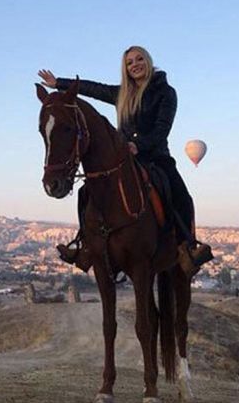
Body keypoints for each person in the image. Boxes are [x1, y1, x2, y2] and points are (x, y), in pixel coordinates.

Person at [38, 46, 213, 276]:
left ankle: (187, 247)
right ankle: (85, 246)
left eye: (139, 59)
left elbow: (162, 129)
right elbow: (93, 89)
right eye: (130, 62)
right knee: (86, 192)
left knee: (178, 193)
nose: (135, 65)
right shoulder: (122, 93)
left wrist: (139, 146)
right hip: (122, 159)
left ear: (148, 61)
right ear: (126, 68)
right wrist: (58, 82)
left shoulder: (165, 92)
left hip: (155, 156)